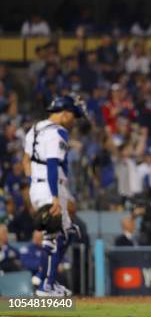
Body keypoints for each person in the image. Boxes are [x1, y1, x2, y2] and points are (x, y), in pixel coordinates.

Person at [23, 94, 87, 296]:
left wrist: (34, 183)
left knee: (68, 233)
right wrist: (55, 197)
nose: (73, 121)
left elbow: (25, 161)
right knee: (53, 236)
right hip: (51, 187)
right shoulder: (57, 132)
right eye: (73, 116)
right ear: (65, 113)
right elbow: (52, 165)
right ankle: (45, 287)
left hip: (41, 186)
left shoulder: (34, 129)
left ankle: (45, 278)